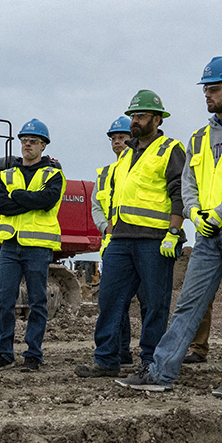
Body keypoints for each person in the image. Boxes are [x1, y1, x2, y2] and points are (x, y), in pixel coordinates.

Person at [117, 57, 222, 399]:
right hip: (207, 232)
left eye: (214, 89)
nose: (208, 95)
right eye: (206, 89)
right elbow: (189, 181)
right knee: (188, 303)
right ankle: (161, 370)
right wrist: (195, 212)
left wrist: (219, 214)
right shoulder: (199, 136)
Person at [77, 91, 186, 377]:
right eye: (132, 116)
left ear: (157, 118)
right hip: (121, 239)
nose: (134, 122)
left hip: (154, 240)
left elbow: (179, 192)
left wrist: (174, 230)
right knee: (110, 300)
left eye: (140, 116)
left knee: (154, 304)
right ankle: (107, 360)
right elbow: (115, 198)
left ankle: (151, 361)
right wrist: (110, 233)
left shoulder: (170, 149)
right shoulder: (126, 156)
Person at [0, 119, 66, 373]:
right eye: (24, 140)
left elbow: (46, 201)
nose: (27, 145)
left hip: (38, 246)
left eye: (33, 141)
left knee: (37, 302)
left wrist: (18, 196)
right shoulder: (7, 175)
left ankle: (33, 354)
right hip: (10, 245)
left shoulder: (53, 174)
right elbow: (0, 205)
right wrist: (30, 199)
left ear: (43, 145)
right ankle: (3, 354)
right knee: (2, 301)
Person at [90, 115, 137, 366]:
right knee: (115, 302)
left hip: (144, 241)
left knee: (150, 303)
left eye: (122, 137)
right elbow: (96, 206)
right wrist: (105, 227)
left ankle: (152, 356)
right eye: (114, 138)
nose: (117, 142)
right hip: (114, 244)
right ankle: (121, 352)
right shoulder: (106, 173)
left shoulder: (140, 166)